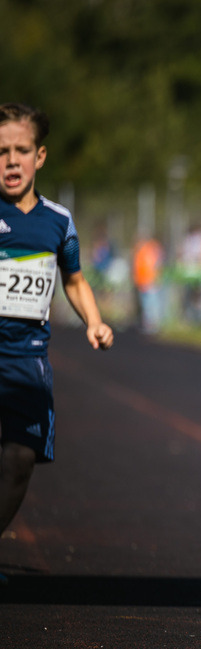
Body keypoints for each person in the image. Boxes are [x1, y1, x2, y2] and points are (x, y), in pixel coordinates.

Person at [0, 103, 114, 582]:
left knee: (20, 459)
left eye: (21, 150)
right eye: (1, 151)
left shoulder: (58, 222)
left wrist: (94, 320)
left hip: (27, 358)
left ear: (39, 157)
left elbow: (73, 279)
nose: (10, 161)